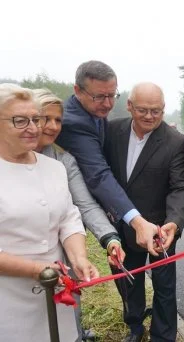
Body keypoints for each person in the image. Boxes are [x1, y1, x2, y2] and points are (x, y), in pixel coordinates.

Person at [0, 83, 99, 341]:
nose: (33, 128)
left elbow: (69, 218)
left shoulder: (55, 168)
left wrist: (78, 259)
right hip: (8, 302)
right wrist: (36, 269)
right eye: (20, 121)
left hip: (56, 294)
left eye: (35, 118)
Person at [33, 88, 126, 341]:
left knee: (65, 317)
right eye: (45, 118)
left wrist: (110, 238)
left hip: (60, 257)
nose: (52, 127)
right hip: (16, 264)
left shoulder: (65, 161)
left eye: (58, 120)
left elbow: (83, 205)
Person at [104, 82, 184, 342]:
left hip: (161, 230)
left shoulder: (176, 142)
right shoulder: (111, 131)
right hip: (122, 227)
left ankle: (163, 336)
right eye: (143, 110)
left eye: (157, 111)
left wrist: (173, 224)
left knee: (164, 287)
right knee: (127, 280)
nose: (150, 116)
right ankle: (135, 325)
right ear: (129, 106)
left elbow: (181, 187)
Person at [56, 61, 160, 258]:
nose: (107, 104)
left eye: (112, 95)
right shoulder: (73, 123)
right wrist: (137, 221)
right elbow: (98, 175)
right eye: (99, 97)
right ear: (78, 90)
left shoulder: (93, 111)